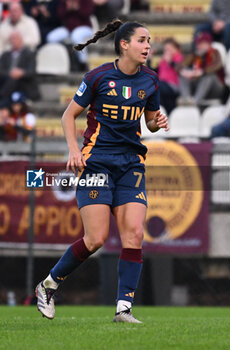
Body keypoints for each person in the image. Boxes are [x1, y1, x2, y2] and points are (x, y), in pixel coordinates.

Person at [36, 19, 169, 323]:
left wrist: (156, 123)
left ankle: (124, 308)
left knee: (134, 234)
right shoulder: (98, 77)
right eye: (142, 40)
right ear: (124, 44)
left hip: (131, 164)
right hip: (96, 162)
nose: (148, 46)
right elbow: (68, 116)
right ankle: (48, 285)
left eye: (149, 40)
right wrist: (73, 149)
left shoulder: (150, 80)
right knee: (95, 239)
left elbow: (148, 121)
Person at [178, 32, 225, 106]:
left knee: (209, 76)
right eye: (198, 43)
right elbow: (180, 66)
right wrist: (186, 72)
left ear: (208, 44)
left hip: (215, 88)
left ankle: (194, 103)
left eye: (201, 43)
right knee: (183, 75)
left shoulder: (215, 52)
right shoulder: (195, 55)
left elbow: (217, 65)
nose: (198, 46)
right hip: (198, 85)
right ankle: (186, 100)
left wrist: (202, 72)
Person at [46, 0, 94, 70]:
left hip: (85, 27)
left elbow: (88, 13)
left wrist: (77, 8)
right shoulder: (64, 1)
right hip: (68, 29)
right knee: (51, 38)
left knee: (76, 36)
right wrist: (67, 8)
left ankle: (83, 63)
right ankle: (63, 57)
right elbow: (59, 15)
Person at [0, 31, 40, 101]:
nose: (14, 41)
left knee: (14, 80)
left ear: (21, 40)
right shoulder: (5, 55)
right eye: (12, 39)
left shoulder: (29, 54)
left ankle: (2, 97)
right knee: (12, 80)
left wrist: (21, 73)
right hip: (8, 81)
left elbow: (31, 72)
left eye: (16, 38)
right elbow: (1, 71)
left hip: (24, 83)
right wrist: (11, 73)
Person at [157, 38, 183, 114]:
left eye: (169, 49)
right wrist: (149, 60)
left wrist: (170, 62)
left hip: (173, 86)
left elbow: (180, 69)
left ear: (176, 49)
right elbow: (156, 71)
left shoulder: (179, 57)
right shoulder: (164, 60)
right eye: (166, 49)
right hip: (162, 85)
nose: (167, 51)